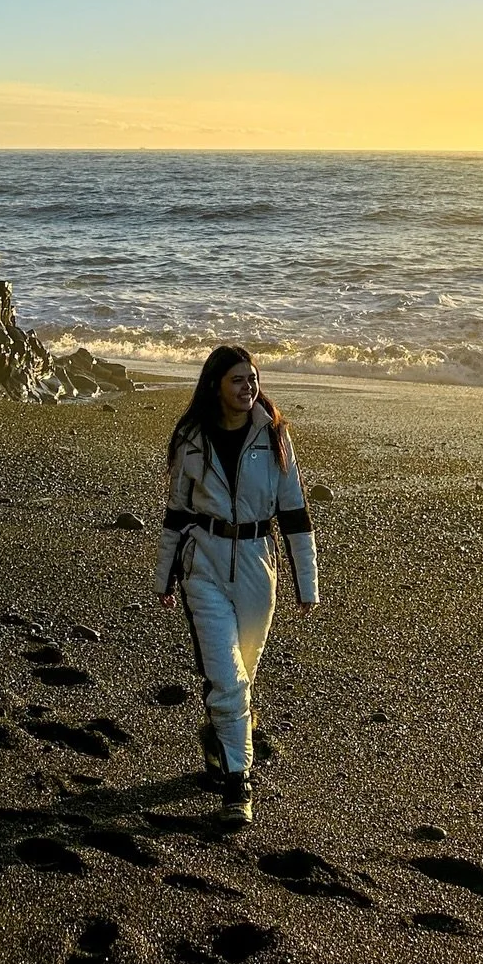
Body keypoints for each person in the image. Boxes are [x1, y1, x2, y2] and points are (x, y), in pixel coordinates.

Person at [154, 344, 319, 827]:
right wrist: (165, 574)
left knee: (241, 674)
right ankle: (237, 786)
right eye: (238, 380)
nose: (248, 388)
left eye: (253, 379)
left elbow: (295, 515)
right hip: (202, 565)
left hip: (255, 566)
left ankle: (217, 736)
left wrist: (306, 584)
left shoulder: (276, 438)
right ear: (215, 387)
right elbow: (176, 513)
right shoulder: (190, 438)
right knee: (228, 679)